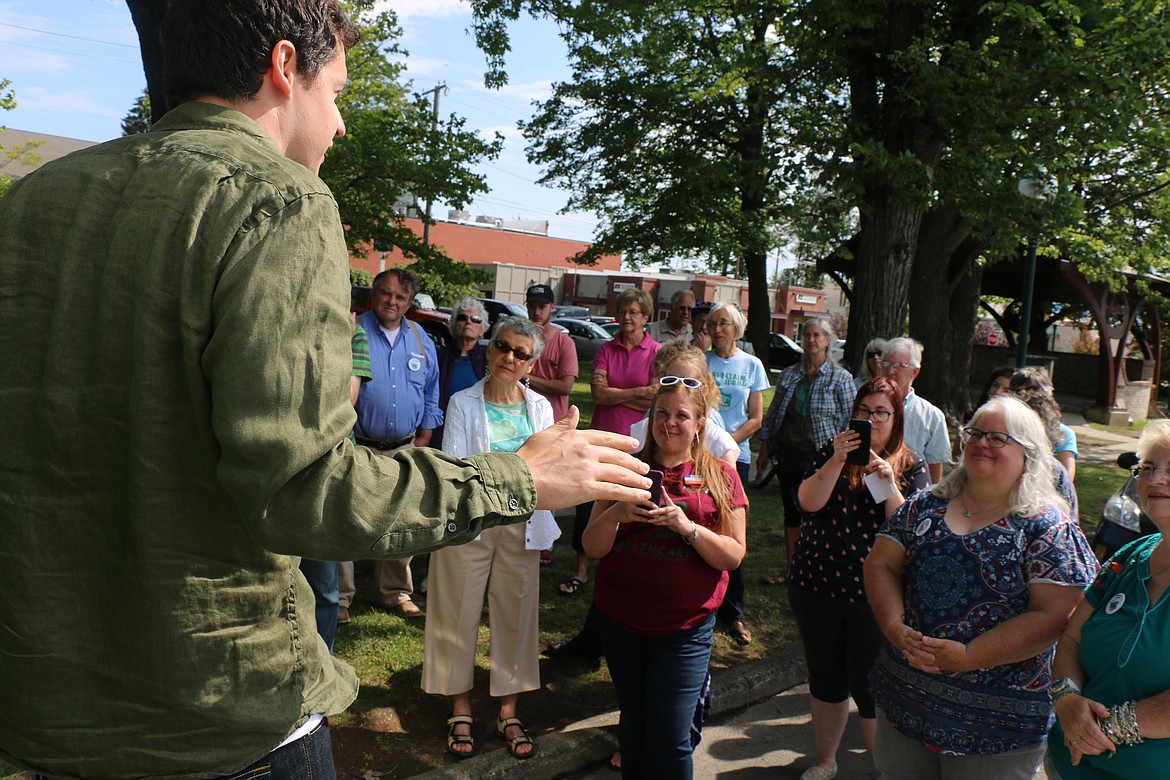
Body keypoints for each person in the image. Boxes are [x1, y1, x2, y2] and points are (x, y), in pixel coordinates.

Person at [0, 2, 652, 775]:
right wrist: (525, 477)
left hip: (45, 709)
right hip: (223, 716)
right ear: (284, 67)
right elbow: (303, 493)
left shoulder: (35, 201)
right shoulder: (277, 198)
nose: (340, 124)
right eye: (336, 90)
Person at [865, 396, 1099, 779]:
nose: (981, 443)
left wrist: (970, 655)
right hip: (904, 699)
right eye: (974, 433)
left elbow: (1058, 614)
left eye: (997, 437)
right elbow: (880, 564)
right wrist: (893, 628)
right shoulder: (926, 504)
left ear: (1029, 452)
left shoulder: (1047, 527)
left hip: (997, 725)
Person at [584, 379, 748, 779]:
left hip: (684, 630)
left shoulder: (721, 475)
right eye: (661, 413)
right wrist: (616, 514)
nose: (669, 423)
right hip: (622, 622)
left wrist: (688, 527)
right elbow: (592, 547)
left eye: (681, 415)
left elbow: (733, 554)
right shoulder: (625, 468)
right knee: (634, 727)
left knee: (671, 739)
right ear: (650, 418)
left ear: (699, 424)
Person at [423, 318, 557, 761]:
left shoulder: (541, 408)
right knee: (454, 611)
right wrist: (516, 473)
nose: (510, 358)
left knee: (517, 616)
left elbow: (548, 471)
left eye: (522, 353)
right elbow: (462, 467)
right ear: (489, 348)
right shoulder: (463, 401)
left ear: (532, 363)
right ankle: (459, 706)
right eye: (503, 347)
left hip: (522, 524)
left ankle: (508, 710)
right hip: (469, 523)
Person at [789, 377, 931, 780]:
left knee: (872, 688)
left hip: (875, 596)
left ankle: (882, 770)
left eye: (880, 412)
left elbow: (911, 530)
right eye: (864, 412)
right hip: (816, 585)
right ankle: (826, 760)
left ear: (896, 418)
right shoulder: (830, 453)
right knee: (825, 676)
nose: (871, 419)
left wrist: (887, 481)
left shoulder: (911, 464)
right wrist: (836, 461)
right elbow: (806, 503)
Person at [1047, 419, 1170, 779]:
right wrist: (1066, 700)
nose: (1157, 479)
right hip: (1067, 762)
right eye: (1148, 468)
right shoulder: (1128, 557)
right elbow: (1071, 637)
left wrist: (1099, 730)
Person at [347, 266, 442, 620]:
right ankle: (341, 597)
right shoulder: (354, 330)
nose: (392, 301)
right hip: (358, 443)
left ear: (409, 303)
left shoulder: (420, 338)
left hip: (404, 447)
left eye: (401, 297)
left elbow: (431, 388)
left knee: (400, 520)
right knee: (348, 516)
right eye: (386, 293)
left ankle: (397, 593)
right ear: (374, 294)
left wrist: (427, 427)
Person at [561, 288, 661, 596]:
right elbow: (598, 395)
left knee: (626, 501)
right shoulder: (606, 349)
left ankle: (620, 564)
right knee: (588, 499)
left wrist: (621, 395)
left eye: (634, 312)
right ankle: (581, 569)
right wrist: (639, 392)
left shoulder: (657, 351)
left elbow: (657, 396)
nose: (627, 318)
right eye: (624, 312)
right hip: (601, 441)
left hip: (638, 442)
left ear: (646, 317)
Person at [758, 318, 856, 586]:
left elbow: (851, 421)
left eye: (817, 335)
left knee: (821, 517)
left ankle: (817, 573)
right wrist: (765, 447)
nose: (811, 340)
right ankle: (793, 572)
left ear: (827, 341)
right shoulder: (790, 374)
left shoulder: (841, 378)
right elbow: (775, 413)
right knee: (791, 514)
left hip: (823, 459)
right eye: (807, 335)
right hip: (789, 456)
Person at [705, 303, 769, 644]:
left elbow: (756, 417)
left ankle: (734, 611)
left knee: (732, 530)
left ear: (738, 328)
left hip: (736, 458)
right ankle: (704, 604)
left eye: (724, 323)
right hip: (702, 455)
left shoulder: (752, 364)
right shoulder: (701, 361)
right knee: (703, 524)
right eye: (713, 323)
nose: (717, 329)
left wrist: (727, 444)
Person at [309, 313, 374, 633]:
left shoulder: (354, 336)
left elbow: (345, 400)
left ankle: (324, 656)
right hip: (285, 457)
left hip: (329, 460)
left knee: (324, 581)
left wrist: (342, 338)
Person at [881, 337, 951, 484]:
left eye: (899, 365)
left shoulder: (932, 416)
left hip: (909, 493)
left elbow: (934, 470)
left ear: (915, 371)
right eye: (886, 364)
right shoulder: (866, 406)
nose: (890, 371)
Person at [431, 297, 488, 451]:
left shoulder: (488, 360)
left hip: (475, 434)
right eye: (462, 317)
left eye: (476, 319)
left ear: (482, 329)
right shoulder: (438, 356)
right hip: (440, 432)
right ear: (454, 324)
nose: (468, 322)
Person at [524, 283, 580, 423]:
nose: (536, 312)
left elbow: (565, 386)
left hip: (553, 421)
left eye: (542, 307)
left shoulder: (565, 343)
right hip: (521, 419)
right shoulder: (519, 340)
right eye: (532, 306)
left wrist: (524, 377)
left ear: (552, 307)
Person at [1011, 366, 1078, 481]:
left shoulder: (1064, 434)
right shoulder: (1006, 426)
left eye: (1033, 389)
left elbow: (1065, 481)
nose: (1025, 395)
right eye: (1017, 391)